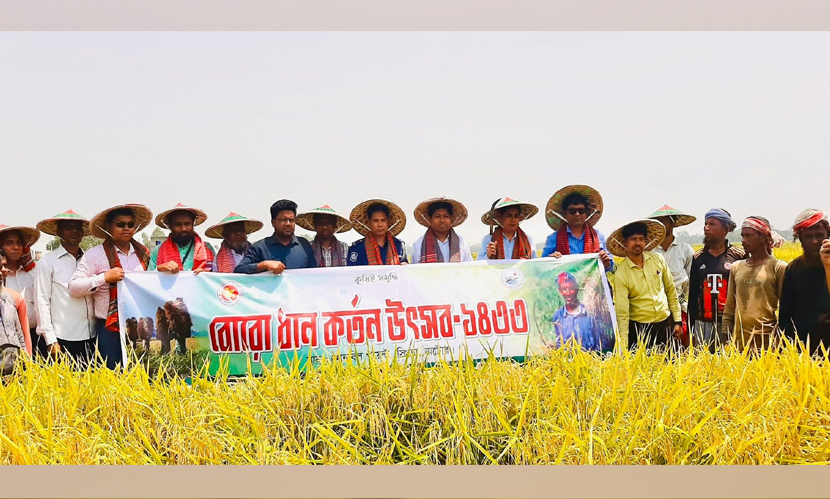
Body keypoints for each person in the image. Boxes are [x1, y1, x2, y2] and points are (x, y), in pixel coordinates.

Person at [69, 204, 153, 369]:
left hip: (139, 325)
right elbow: (74, 287)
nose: (126, 228)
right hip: (109, 326)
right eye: (120, 224)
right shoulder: (95, 255)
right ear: (108, 227)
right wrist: (103, 278)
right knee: (112, 374)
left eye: (130, 224)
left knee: (142, 372)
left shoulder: (144, 254)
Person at [34, 210, 97, 366]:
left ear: (83, 233)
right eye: (68, 227)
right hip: (63, 336)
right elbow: (41, 300)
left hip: (91, 335)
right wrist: (50, 339)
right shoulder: (48, 262)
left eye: (78, 228)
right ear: (58, 231)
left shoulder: (91, 260)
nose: (74, 231)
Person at [608, 219, 682, 350]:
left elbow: (671, 290)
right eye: (633, 239)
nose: (638, 243)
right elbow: (622, 312)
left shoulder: (658, 259)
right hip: (640, 329)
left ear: (645, 241)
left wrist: (677, 320)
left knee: (671, 365)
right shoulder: (621, 274)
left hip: (665, 323)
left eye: (641, 239)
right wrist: (623, 344)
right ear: (624, 242)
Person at [722, 216, 787, 352]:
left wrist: (780, 341)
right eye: (742, 235)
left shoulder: (778, 267)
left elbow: (786, 310)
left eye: (749, 236)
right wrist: (726, 336)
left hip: (768, 345)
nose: (743, 241)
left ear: (763, 238)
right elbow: (730, 307)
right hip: (739, 343)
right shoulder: (736, 267)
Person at [688, 208, 746, 352]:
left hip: (729, 324)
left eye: (712, 224)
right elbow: (693, 294)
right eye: (706, 224)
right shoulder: (698, 257)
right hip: (703, 324)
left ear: (725, 229)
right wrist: (691, 327)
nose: (706, 228)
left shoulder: (739, 256)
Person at [779, 209, 830, 355]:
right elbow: (785, 313)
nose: (814, 241)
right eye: (808, 237)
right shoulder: (793, 269)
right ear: (800, 239)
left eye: (819, 236)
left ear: (827, 236)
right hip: (803, 348)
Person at [648, 205, 696, 346]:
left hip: (680, 306)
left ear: (673, 223)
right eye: (658, 222)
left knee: (680, 347)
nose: (661, 225)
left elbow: (691, 281)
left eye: (665, 221)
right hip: (655, 307)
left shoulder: (685, 250)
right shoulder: (649, 251)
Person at [541, 185, 614, 271]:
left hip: (593, 283)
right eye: (572, 211)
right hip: (564, 283)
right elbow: (542, 267)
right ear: (565, 214)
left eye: (581, 211)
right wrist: (550, 260)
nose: (577, 214)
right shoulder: (553, 238)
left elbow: (610, 267)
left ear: (586, 213)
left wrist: (606, 263)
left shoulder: (598, 236)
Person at [235, 199, 317, 274]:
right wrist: (263, 265)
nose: (288, 224)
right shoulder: (260, 247)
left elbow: (315, 273)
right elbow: (239, 269)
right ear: (273, 222)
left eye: (291, 220)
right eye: (283, 220)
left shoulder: (304, 245)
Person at [0, 224, 43, 358]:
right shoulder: (2, 276)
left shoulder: (33, 273)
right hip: (8, 340)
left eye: (19, 243)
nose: (16, 247)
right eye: (9, 243)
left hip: (37, 336)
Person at [149, 203, 215, 274]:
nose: (183, 228)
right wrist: (159, 269)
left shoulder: (207, 248)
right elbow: (147, 279)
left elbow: (218, 278)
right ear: (170, 226)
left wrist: (206, 274)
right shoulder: (158, 251)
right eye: (178, 224)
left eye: (187, 224)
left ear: (193, 224)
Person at [547, 272, 605, 351]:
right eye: (564, 289)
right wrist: (553, 347)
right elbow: (560, 343)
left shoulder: (590, 313)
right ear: (560, 291)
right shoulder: (558, 315)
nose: (568, 293)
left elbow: (600, 341)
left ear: (577, 290)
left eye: (571, 289)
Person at [347, 199, 408, 266]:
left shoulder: (399, 246)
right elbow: (352, 273)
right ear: (369, 223)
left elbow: (405, 272)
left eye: (383, 220)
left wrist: (405, 267)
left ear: (388, 221)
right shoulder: (357, 249)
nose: (380, 224)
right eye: (376, 221)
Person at [411, 197, 473, 263]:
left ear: (451, 219)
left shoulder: (462, 242)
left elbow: (469, 268)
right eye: (437, 216)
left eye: (446, 216)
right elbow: (414, 271)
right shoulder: (419, 244)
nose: (442, 220)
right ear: (430, 219)